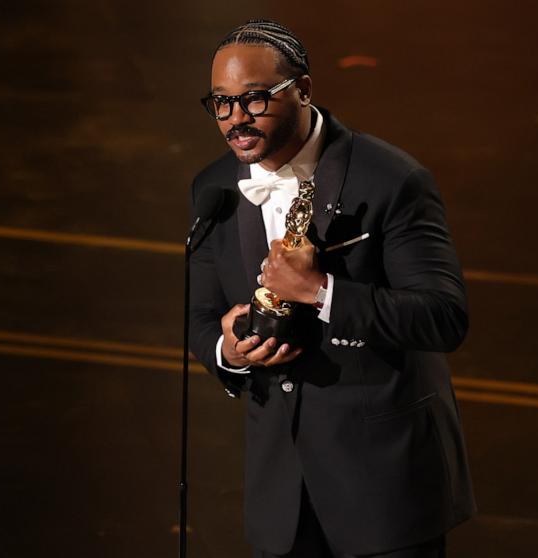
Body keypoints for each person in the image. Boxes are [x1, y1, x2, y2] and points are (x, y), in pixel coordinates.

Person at [188, 20, 476, 558]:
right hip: (282, 497)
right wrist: (227, 351)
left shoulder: (391, 180)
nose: (235, 120)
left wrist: (320, 291)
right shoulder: (215, 189)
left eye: (253, 99)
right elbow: (201, 320)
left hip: (385, 490)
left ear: (303, 91)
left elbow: (443, 317)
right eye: (221, 103)